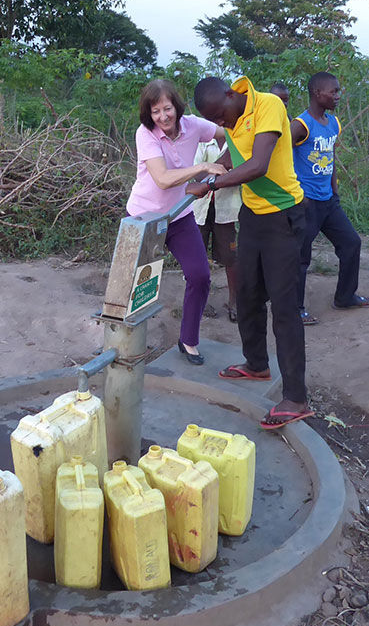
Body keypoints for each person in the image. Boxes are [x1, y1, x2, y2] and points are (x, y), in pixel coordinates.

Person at [187, 76, 313, 429]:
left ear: (231, 94)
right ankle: (256, 364)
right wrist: (212, 167)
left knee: (284, 306)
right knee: (248, 294)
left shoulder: (269, 105)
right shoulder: (232, 119)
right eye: (216, 121)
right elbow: (235, 154)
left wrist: (211, 184)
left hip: (283, 216)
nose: (222, 125)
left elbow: (257, 163)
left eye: (221, 116)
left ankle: (296, 397)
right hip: (253, 216)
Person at [126, 79, 227, 365]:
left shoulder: (194, 125)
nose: (163, 117)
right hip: (143, 217)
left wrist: (225, 158)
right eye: (155, 111)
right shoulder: (146, 134)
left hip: (179, 216)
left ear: (177, 106)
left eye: (167, 108)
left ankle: (188, 340)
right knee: (135, 282)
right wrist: (203, 167)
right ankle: (124, 341)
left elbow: (226, 131)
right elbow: (162, 178)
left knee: (199, 275)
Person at [291, 72, 369, 325]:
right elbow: (278, 154)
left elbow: (331, 158)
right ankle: (294, 309)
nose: (338, 96)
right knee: (300, 257)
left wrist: (335, 190)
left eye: (338, 91)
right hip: (306, 203)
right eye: (333, 92)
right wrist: (295, 193)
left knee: (351, 243)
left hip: (328, 201)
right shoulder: (301, 125)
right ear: (318, 94)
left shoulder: (333, 123)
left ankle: (345, 296)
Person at [192, 138, 241, 323]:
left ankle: (234, 302)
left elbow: (242, 175)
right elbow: (196, 176)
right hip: (200, 208)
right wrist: (224, 165)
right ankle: (199, 301)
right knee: (197, 256)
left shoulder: (237, 140)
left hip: (227, 209)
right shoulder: (203, 141)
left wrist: (211, 171)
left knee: (231, 257)